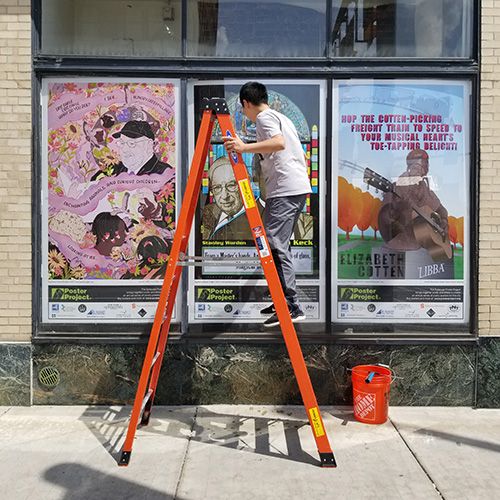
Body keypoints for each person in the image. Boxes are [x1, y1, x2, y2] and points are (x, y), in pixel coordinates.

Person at [223, 81, 311, 327]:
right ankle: (281, 299)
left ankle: (291, 306)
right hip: (292, 188)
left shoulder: (263, 118)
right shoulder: (282, 117)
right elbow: (294, 150)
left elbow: (279, 143)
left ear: (246, 103)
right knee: (278, 244)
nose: (244, 114)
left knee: (273, 243)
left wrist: (244, 147)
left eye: (243, 110)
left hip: (285, 190)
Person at [378, 148, 450, 258]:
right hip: (400, 240)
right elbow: (386, 218)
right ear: (409, 167)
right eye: (417, 165)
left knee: (440, 255)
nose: (421, 168)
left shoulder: (424, 189)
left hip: (419, 242)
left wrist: (443, 221)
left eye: (424, 165)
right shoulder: (398, 187)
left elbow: (441, 210)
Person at [91, 121, 172, 181]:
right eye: (122, 143)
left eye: (131, 143)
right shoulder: (116, 169)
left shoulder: (164, 173)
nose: (124, 149)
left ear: (149, 145)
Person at [201, 156, 249, 240]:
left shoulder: (258, 214)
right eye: (217, 188)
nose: (224, 196)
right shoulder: (208, 212)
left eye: (231, 185)